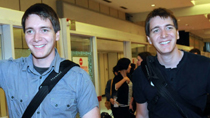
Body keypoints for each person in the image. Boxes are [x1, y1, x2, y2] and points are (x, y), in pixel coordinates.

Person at [0, 3, 99, 118]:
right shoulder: (8, 71)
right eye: (30, 31)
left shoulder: (78, 78)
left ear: (57, 35)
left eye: (44, 30)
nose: (36, 38)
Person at [132, 7, 210, 118]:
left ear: (177, 34)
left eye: (169, 28)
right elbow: (142, 114)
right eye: (156, 30)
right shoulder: (141, 73)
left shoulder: (205, 66)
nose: (164, 35)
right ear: (149, 39)